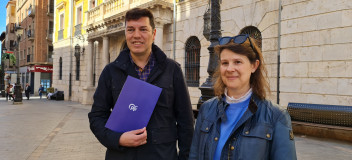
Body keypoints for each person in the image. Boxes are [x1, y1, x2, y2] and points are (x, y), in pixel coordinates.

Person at [88, 8, 194, 160]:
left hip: (162, 155)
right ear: (125, 33)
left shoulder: (172, 70)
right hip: (121, 155)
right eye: (130, 29)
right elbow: (97, 116)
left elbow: (186, 122)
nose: (136, 35)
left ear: (154, 34)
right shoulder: (110, 71)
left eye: (143, 29)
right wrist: (118, 139)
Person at [189, 34, 296, 160]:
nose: (230, 69)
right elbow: (194, 156)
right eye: (225, 63)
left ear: (254, 66)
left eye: (237, 62)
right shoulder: (206, 109)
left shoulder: (276, 116)